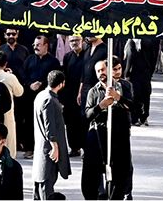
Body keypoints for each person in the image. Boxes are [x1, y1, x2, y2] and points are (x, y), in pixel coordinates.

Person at [82, 59, 135, 200]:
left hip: (118, 136)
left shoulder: (123, 86)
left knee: (119, 174)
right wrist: (101, 105)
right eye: (98, 71)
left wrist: (118, 97)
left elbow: (133, 107)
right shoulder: (93, 91)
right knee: (92, 173)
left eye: (103, 70)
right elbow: (87, 115)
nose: (101, 73)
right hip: (99, 136)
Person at [32, 70, 70, 200]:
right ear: (61, 84)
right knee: (46, 185)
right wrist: (55, 147)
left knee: (41, 186)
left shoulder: (41, 96)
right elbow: (50, 126)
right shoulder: (49, 100)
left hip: (42, 148)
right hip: (48, 150)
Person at [21, 35, 61, 158]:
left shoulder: (53, 61)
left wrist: (41, 84)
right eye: (34, 45)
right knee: (29, 122)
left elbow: (55, 77)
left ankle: (47, 148)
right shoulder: (29, 59)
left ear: (46, 46)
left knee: (47, 122)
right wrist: (30, 84)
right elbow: (23, 74)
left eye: (38, 44)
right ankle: (29, 148)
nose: (35, 47)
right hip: (30, 95)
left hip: (46, 96)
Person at [0, 51, 24, 158]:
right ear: (6, 63)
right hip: (7, 112)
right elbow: (19, 92)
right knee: (9, 139)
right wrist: (10, 75)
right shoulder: (10, 77)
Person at [61, 35, 87, 157]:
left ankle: (86, 148)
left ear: (82, 41)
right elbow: (65, 76)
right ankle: (74, 147)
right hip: (70, 95)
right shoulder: (67, 57)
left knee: (83, 121)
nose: (74, 43)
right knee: (70, 122)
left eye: (77, 40)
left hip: (83, 93)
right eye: (71, 41)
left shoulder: (87, 55)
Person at [124, 38, 156, 126]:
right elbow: (153, 58)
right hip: (146, 73)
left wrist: (127, 73)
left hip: (134, 73)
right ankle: (144, 117)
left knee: (134, 96)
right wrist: (150, 72)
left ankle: (135, 118)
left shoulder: (131, 42)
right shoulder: (148, 41)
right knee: (145, 95)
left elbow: (129, 57)